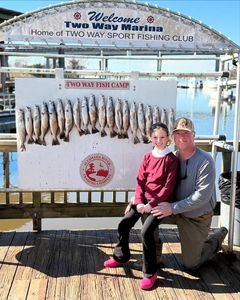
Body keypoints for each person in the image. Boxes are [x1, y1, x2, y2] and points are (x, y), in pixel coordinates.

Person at [147, 117, 228, 274]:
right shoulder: (171, 157)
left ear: (194, 136)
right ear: (173, 137)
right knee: (148, 213)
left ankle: (218, 237)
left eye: (187, 133)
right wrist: (138, 199)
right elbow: (153, 182)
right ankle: (154, 256)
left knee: (191, 264)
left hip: (195, 218)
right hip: (176, 211)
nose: (182, 137)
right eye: (178, 133)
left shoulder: (205, 160)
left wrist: (172, 207)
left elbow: (202, 196)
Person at [103, 123, 179, 290]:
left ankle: (150, 273)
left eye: (162, 137)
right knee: (124, 224)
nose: (159, 140)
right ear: (150, 138)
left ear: (168, 139)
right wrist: (137, 202)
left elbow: (168, 188)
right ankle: (121, 256)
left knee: (146, 232)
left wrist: (150, 205)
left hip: (161, 203)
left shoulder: (171, 160)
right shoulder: (147, 157)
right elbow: (140, 182)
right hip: (143, 200)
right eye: (155, 137)